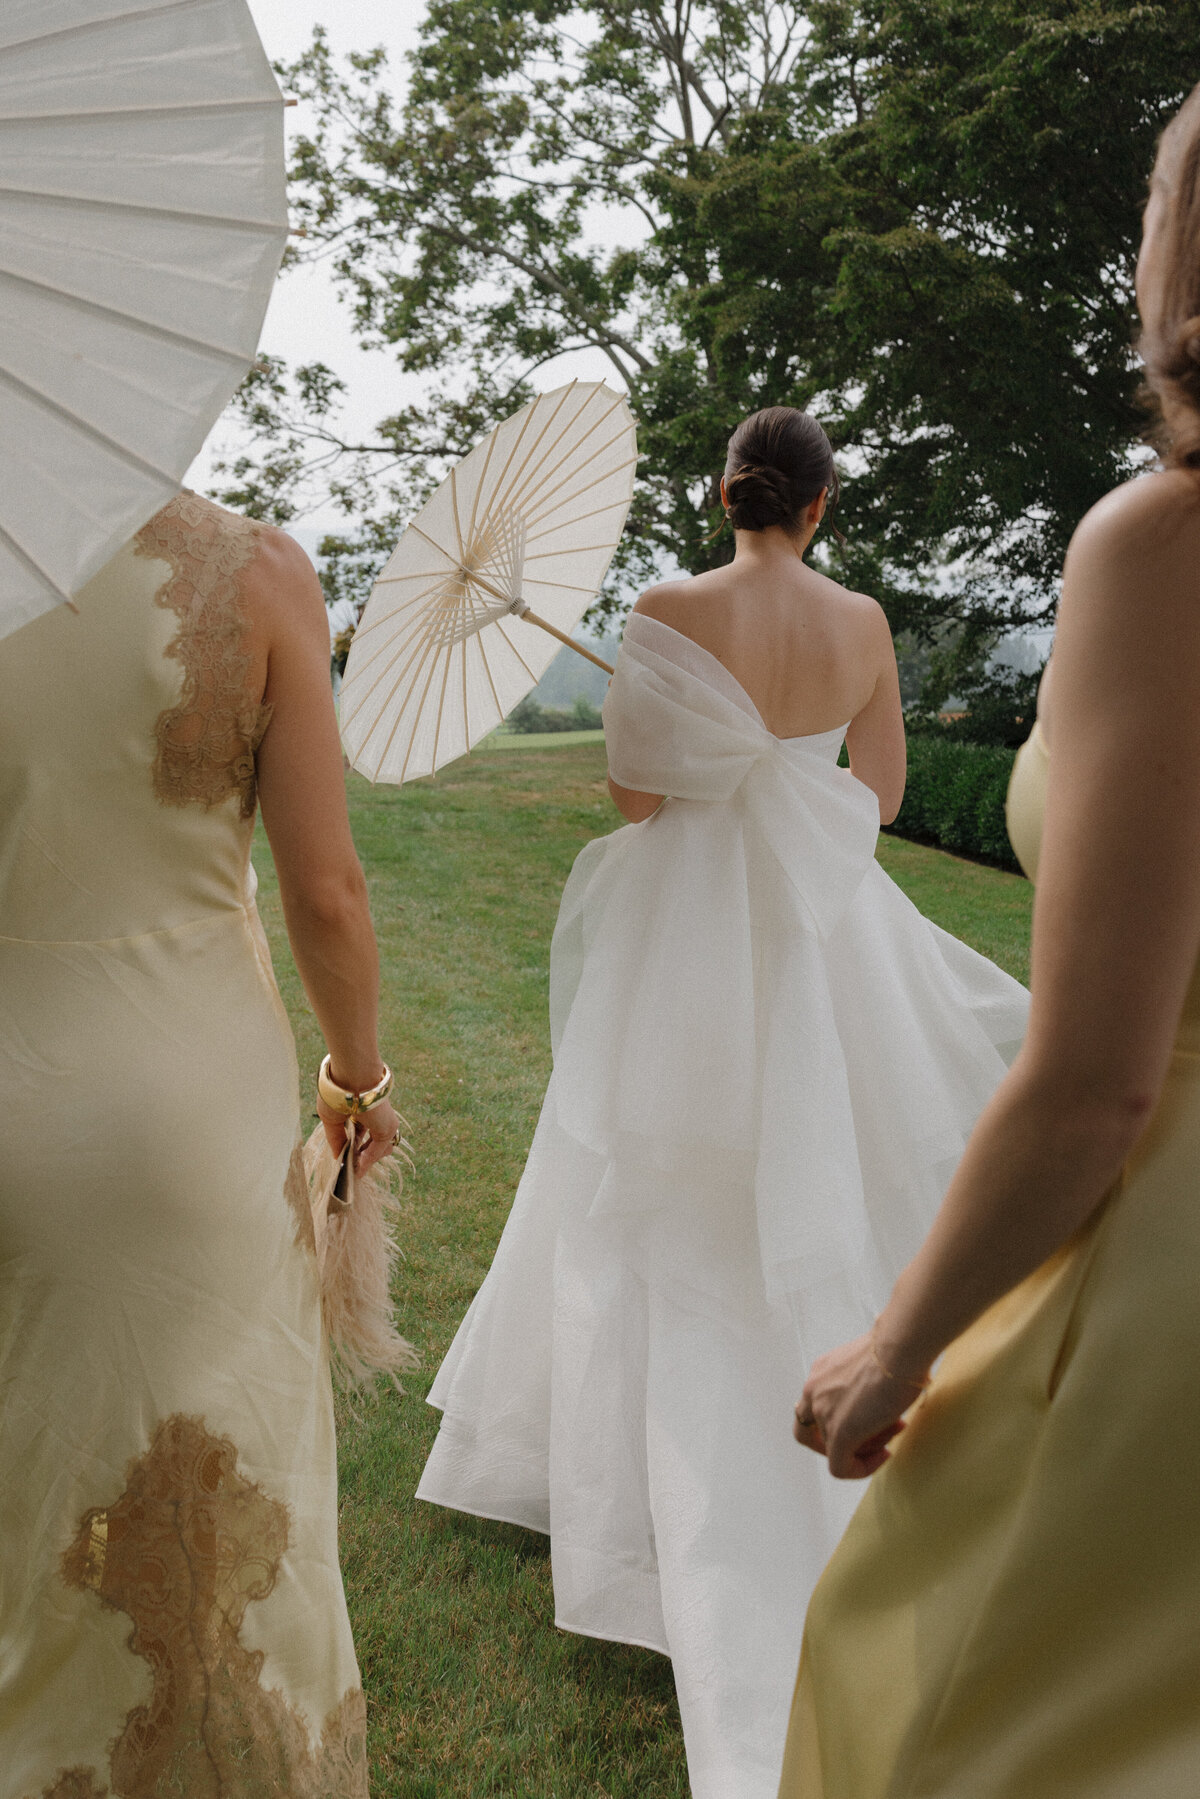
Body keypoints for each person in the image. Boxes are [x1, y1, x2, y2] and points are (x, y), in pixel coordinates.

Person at [416, 409, 1029, 1798]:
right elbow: (878, 790)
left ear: (725, 493)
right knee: (841, 1152)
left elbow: (635, 793)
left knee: (660, 1184)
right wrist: (786, 793)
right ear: (821, 506)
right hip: (819, 926)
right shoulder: (864, 621)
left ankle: (664, 1491)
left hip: (686, 925)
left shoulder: (662, 606)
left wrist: (722, 772)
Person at [781, 84, 1200, 1799]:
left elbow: (1099, 1081)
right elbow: (880, 785)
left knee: (932, 1702)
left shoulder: (1168, 543)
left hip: (1168, 1291)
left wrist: (900, 1347)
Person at [0, 490, 402, 1795]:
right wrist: (357, 1073)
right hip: (191, 1097)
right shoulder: (260, 572)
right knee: (221, 1452)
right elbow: (327, 894)